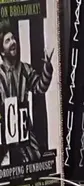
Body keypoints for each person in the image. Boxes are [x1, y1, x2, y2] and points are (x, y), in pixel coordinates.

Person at [0, 20, 55, 165]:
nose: (13, 42)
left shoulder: (25, 69)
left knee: (35, 159)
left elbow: (40, 88)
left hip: (24, 130)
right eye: (7, 41)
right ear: (1, 51)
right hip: (4, 132)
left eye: (13, 38)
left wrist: (47, 68)